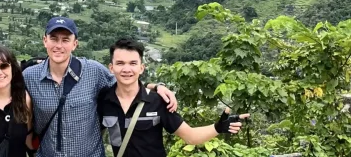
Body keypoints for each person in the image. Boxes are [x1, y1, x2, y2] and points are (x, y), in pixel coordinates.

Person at [0, 16, 178, 157]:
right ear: (45, 40)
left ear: (75, 44)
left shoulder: (93, 71)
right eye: (54, 38)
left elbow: (124, 80)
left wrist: (155, 86)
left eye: (66, 40)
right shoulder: (30, 76)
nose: (59, 45)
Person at [98, 38, 249, 157]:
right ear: (111, 68)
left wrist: (218, 127)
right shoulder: (103, 100)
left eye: (132, 63)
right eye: (120, 63)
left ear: (141, 68)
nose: (126, 69)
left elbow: (190, 136)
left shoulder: (158, 101)